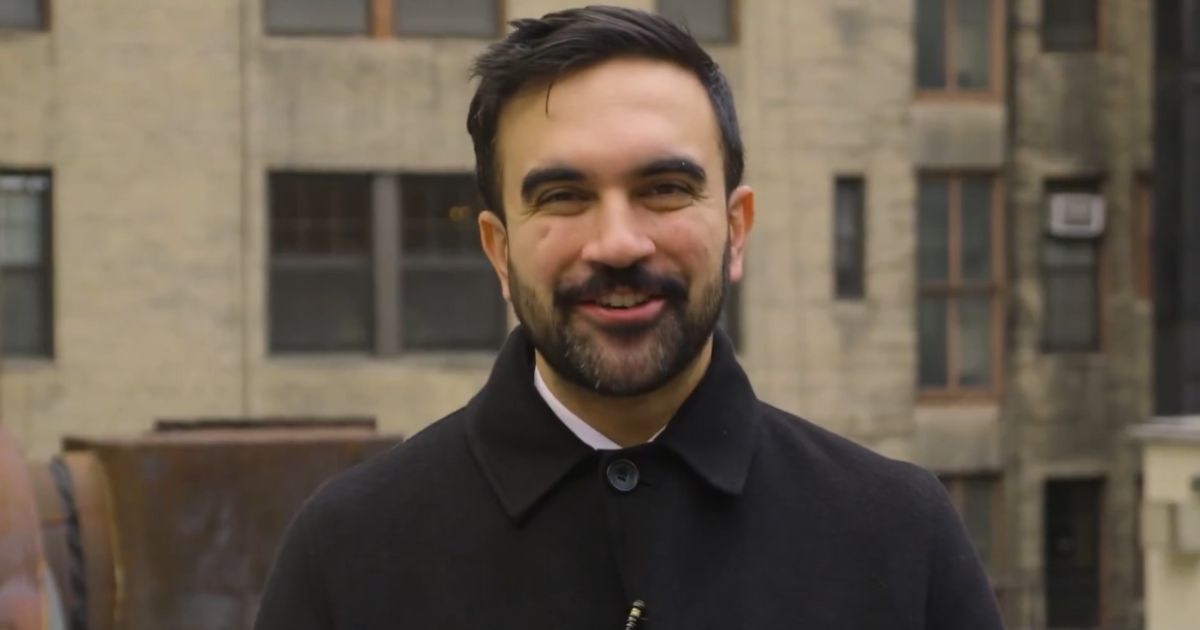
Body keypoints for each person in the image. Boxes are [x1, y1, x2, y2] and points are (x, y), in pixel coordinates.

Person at [254, 6, 1005, 629]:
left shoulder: (900, 537)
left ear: (736, 229)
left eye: (666, 188)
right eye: (562, 197)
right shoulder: (349, 554)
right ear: (498, 250)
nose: (617, 243)